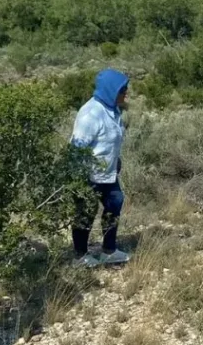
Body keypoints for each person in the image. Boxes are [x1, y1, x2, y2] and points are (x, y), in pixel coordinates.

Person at [70, 68, 131, 267]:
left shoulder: (113, 110)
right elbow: (77, 148)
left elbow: (109, 141)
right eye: (123, 90)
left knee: (115, 203)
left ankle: (109, 250)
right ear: (111, 90)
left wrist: (116, 160)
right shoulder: (91, 114)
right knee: (85, 212)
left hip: (107, 173)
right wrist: (77, 179)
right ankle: (80, 256)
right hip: (88, 174)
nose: (126, 94)